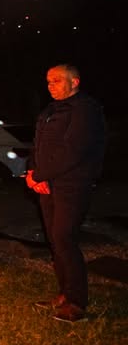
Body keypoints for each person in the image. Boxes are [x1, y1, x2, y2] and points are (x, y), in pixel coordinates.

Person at [28, 64, 106, 323]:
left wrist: (40, 175)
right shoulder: (49, 111)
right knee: (54, 239)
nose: (51, 85)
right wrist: (32, 172)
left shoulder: (86, 110)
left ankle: (76, 302)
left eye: (57, 80)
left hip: (73, 184)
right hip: (48, 184)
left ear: (75, 82)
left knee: (64, 238)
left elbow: (73, 151)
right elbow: (38, 145)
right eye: (48, 81)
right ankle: (63, 294)